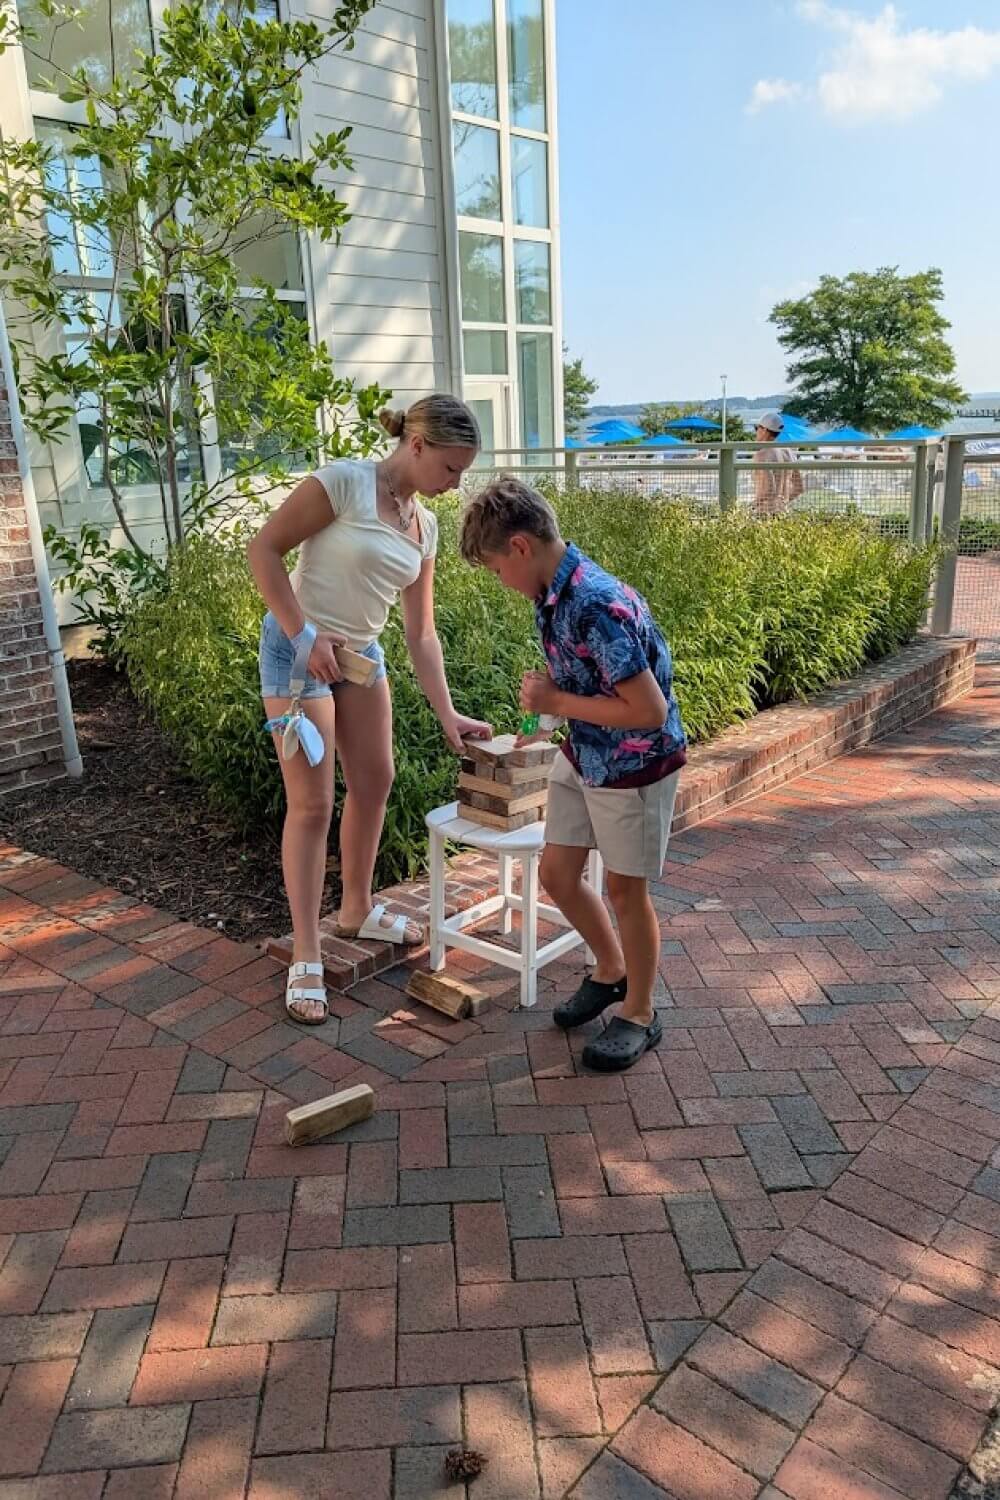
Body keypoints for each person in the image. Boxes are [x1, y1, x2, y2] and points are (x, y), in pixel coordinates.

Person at [248, 396, 492, 1025]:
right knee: (312, 803)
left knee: (376, 779)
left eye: (463, 472)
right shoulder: (345, 484)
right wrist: (305, 636)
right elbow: (264, 551)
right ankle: (307, 952)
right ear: (416, 446)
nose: (455, 482)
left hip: (361, 658)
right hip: (297, 653)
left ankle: (356, 909)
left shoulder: (423, 527)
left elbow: (421, 635)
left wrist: (448, 714)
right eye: (450, 468)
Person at [459, 477, 687, 1073]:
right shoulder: (552, 595)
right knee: (558, 873)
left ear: (518, 547)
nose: (498, 582)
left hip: (635, 762)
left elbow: (647, 710)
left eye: (492, 568)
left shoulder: (594, 603)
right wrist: (550, 714)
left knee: (624, 890)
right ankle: (611, 971)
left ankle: (640, 1011)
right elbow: (588, 683)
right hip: (585, 752)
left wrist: (557, 701)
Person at [752, 411, 803, 516]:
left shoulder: (762, 454)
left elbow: (768, 490)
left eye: (757, 428)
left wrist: (751, 507)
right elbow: (799, 488)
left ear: (764, 430)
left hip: (765, 513)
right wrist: (782, 502)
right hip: (783, 512)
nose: (756, 432)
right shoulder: (789, 452)